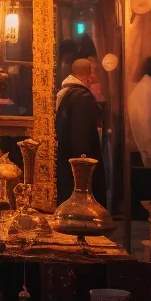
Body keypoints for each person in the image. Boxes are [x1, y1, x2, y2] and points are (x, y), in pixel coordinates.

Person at [55, 57, 105, 205]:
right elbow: (80, 137)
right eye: (95, 71)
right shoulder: (82, 97)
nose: (96, 77)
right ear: (89, 74)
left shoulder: (66, 93)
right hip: (78, 168)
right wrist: (84, 165)